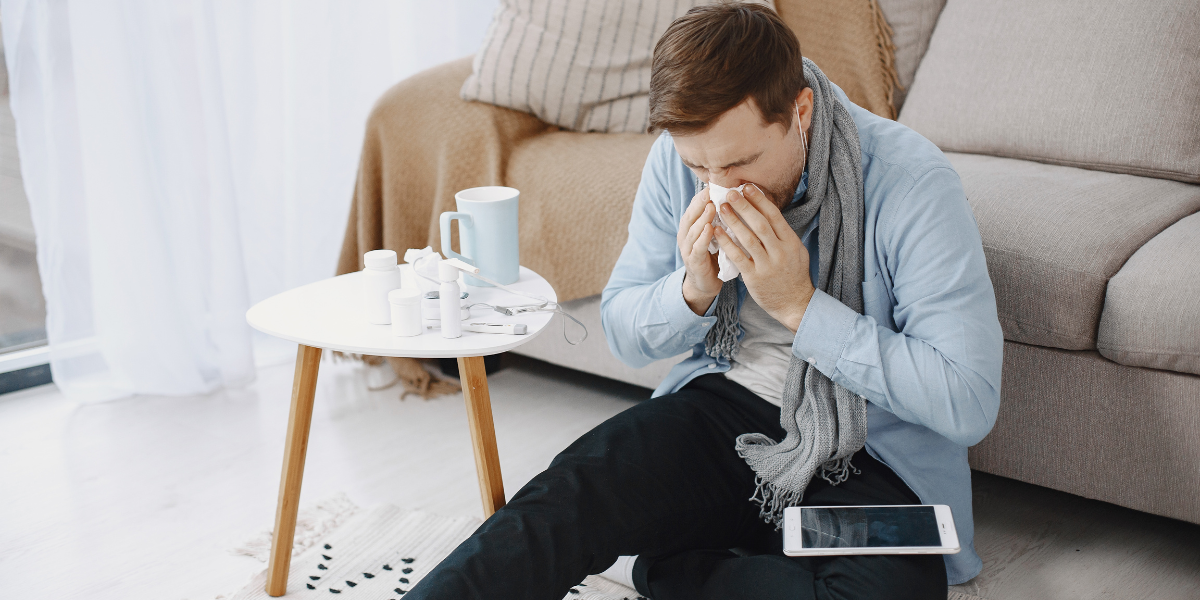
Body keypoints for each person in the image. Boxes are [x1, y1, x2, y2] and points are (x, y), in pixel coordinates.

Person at [407, 4, 1002, 599]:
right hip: (724, 411)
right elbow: (623, 330)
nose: (719, 187)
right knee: (565, 498)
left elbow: (969, 402)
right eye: (700, 166)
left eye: (741, 163)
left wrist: (802, 306)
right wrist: (691, 290)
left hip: (862, 449)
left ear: (800, 112)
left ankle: (659, 567)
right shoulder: (678, 160)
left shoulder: (911, 183)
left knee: (891, 590)